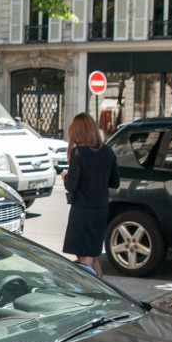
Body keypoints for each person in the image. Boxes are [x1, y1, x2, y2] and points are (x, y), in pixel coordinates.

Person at [61, 112, 119, 276]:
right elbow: (115, 182)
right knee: (93, 255)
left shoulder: (78, 153)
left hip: (83, 209)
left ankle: (91, 295)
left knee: (85, 258)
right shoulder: (108, 152)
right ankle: (102, 291)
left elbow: (71, 185)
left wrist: (65, 176)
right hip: (101, 209)